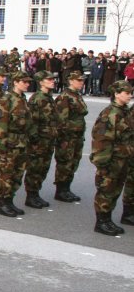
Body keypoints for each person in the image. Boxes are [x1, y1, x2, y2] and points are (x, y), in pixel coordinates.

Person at [90, 81, 133, 235]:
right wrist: (103, 163)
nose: (130, 95)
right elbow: (101, 140)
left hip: (122, 158)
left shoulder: (124, 112)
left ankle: (107, 219)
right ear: (116, 94)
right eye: (126, 93)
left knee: (115, 190)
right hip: (111, 160)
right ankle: (101, 222)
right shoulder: (110, 114)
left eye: (130, 92)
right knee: (106, 191)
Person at [0, 72, 32, 217]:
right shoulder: (7, 99)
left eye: (28, 82)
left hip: (21, 143)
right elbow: (0, 125)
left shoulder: (22, 99)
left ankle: (9, 201)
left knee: (17, 175)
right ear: (15, 82)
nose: (27, 84)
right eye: (24, 81)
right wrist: (1, 147)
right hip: (9, 144)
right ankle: (2, 204)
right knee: (6, 175)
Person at [23, 71, 58, 209]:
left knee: (43, 168)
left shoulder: (48, 97)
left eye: (52, 79)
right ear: (41, 82)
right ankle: (30, 196)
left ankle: (36, 193)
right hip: (39, 141)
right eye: (49, 79)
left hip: (48, 139)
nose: (52, 81)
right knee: (35, 168)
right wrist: (35, 140)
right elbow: (31, 122)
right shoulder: (37, 99)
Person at [52, 71, 88, 203]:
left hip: (77, 136)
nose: (81, 82)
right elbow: (61, 121)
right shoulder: (65, 97)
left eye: (82, 80)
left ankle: (66, 188)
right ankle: (61, 190)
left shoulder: (77, 95)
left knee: (73, 162)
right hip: (67, 137)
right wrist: (72, 131)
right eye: (78, 80)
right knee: (65, 163)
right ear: (71, 81)